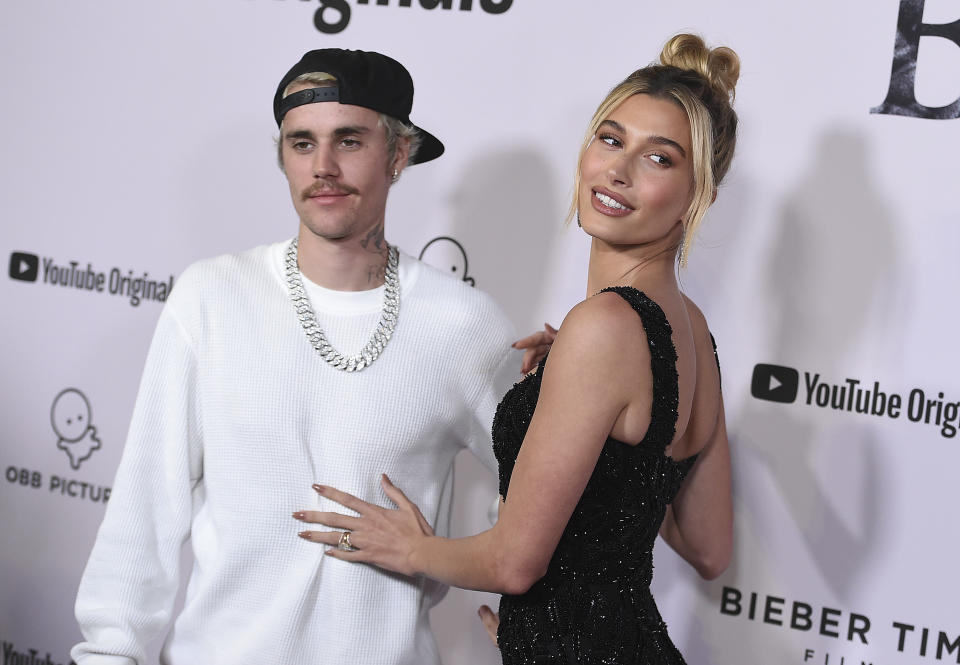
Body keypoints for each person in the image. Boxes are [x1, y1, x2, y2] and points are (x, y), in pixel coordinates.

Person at [296, 33, 737, 664]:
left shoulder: (604, 329)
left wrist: (410, 548)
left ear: (700, 197)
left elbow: (514, 564)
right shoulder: (692, 333)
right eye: (610, 139)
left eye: (660, 159)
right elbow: (709, 548)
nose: (618, 169)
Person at [71, 49, 517, 665]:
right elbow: (144, 513)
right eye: (302, 143)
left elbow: (546, 500)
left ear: (399, 154)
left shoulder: (462, 324)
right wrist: (106, 653)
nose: (324, 167)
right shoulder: (212, 296)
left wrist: (444, 560)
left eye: (350, 141)